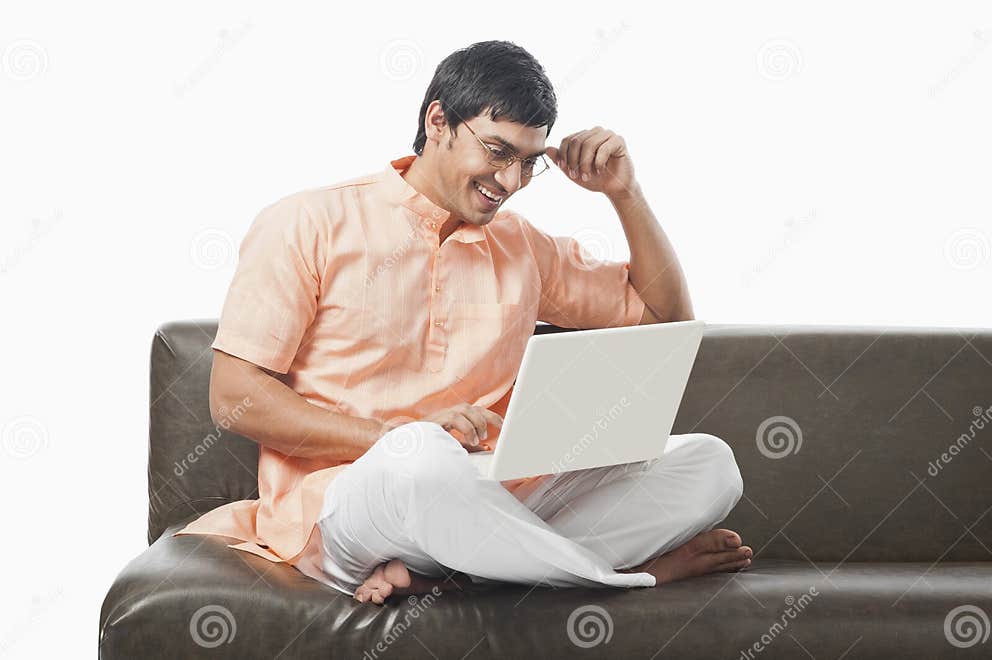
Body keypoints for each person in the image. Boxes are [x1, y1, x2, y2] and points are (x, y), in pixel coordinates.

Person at [173, 40, 751, 606]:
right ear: (438, 122)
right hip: (357, 499)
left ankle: (457, 578)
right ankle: (624, 577)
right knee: (421, 458)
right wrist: (392, 437)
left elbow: (664, 321)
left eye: (528, 163)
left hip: (488, 496)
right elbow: (234, 397)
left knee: (709, 464)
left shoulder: (523, 246)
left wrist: (624, 194)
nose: (510, 182)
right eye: (498, 152)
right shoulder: (307, 222)